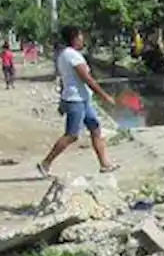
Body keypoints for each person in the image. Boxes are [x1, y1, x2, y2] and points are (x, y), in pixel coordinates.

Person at [38, 25, 118, 177]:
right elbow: (87, 79)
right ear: (74, 38)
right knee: (72, 135)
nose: (83, 39)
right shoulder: (73, 56)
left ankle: (104, 164)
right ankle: (45, 163)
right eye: (81, 36)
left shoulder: (64, 54)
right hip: (76, 100)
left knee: (95, 128)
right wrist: (104, 95)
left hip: (82, 98)